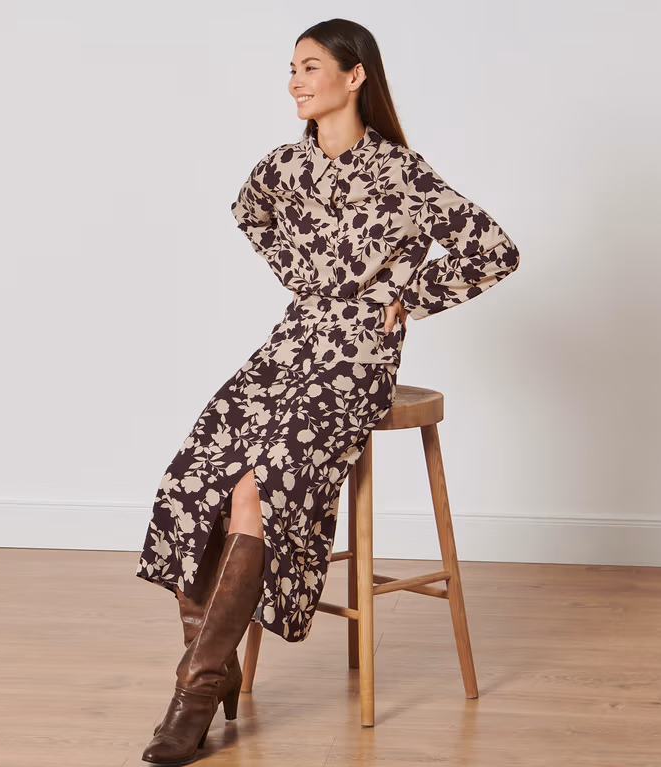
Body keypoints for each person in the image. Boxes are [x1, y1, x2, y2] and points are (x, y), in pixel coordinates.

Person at [136, 17, 520, 765]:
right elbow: (248, 211)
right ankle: (214, 665)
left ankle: (194, 689)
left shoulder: (402, 172)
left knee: (261, 486)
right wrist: (301, 275)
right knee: (193, 476)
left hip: (358, 355)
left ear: (355, 75)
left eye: (310, 66)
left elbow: (494, 249)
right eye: (292, 68)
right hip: (291, 343)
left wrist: (410, 294)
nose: (296, 81)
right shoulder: (285, 165)